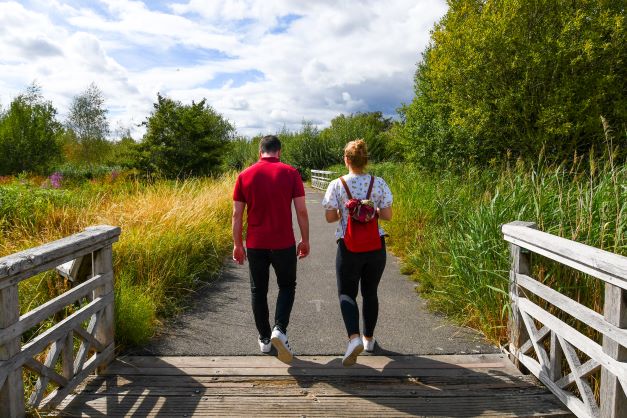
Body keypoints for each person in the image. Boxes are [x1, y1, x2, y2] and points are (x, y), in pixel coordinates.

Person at [232, 135, 310, 364]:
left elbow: (237, 215)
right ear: (279, 151)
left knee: (258, 291)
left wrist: (237, 244)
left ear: (260, 152)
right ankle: (280, 329)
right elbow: (302, 211)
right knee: (287, 286)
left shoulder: (244, 175)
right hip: (284, 243)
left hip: (255, 244)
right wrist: (305, 240)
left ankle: (265, 339)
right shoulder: (290, 173)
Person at [322, 139, 393, 366]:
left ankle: (353, 339)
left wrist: (348, 211)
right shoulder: (378, 183)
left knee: (346, 293)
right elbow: (388, 215)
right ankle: (369, 339)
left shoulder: (337, 184)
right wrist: (370, 210)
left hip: (349, 246)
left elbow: (330, 216)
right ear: (365, 160)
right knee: (370, 292)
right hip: (375, 245)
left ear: (346, 159)